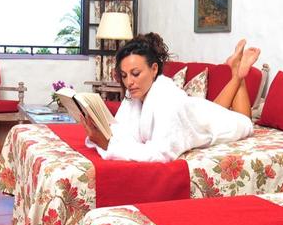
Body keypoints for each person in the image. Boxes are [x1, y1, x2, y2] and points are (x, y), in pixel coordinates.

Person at [83, 33, 261, 162]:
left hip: (201, 115)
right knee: (217, 110)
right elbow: (122, 128)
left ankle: (238, 74)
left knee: (245, 122)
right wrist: (102, 133)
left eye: (135, 73)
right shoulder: (135, 92)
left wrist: (109, 146)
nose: (129, 82)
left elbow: (162, 153)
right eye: (124, 75)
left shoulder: (166, 99)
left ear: (154, 70)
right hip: (198, 109)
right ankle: (236, 71)